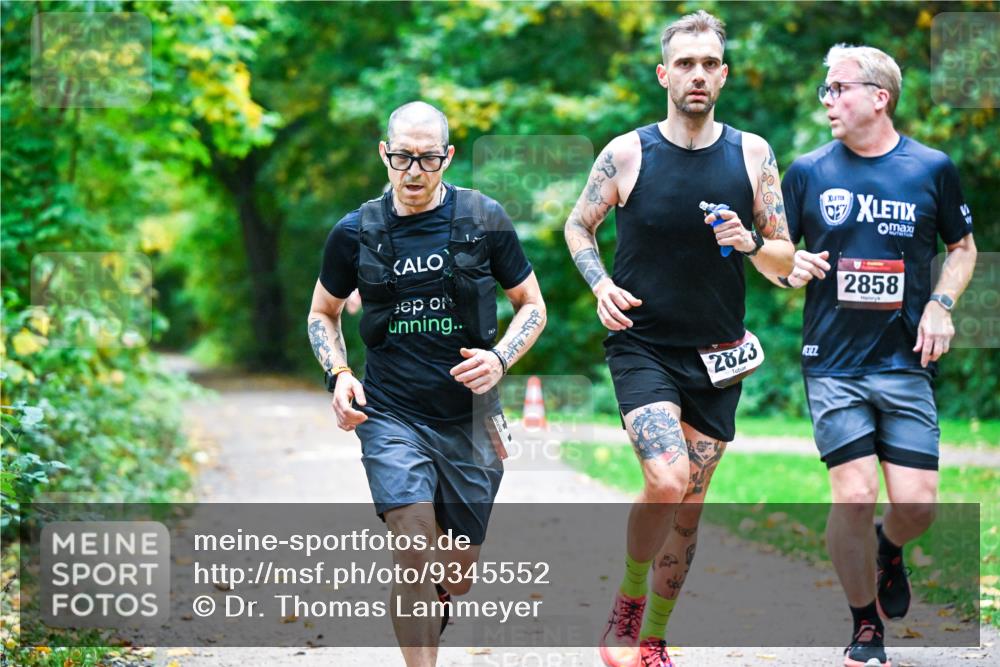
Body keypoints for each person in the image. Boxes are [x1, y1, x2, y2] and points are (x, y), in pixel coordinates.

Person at [563, 10, 794, 667]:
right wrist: (600, 283)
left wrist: (751, 243)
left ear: (723, 75)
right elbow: (579, 227)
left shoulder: (753, 156)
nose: (697, 73)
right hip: (644, 346)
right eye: (685, 63)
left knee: (689, 509)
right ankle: (627, 605)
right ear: (665, 73)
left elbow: (783, 265)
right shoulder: (628, 153)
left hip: (719, 356)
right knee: (666, 480)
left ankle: (654, 638)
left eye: (709, 63)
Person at [307, 101, 546, 667]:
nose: (414, 172)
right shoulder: (355, 231)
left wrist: (501, 358)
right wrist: (338, 375)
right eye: (403, 158)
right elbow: (323, 312)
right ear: (384, 154)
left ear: (449, 156)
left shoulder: (483, 218)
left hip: (469, 417)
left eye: (429, 158)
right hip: (390, 413)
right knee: (413, 548)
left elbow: (531, 306)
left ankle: (441, 592)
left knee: (457, 575)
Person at [777, 45, 977, 667]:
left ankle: (890, 547)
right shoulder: (807, 171)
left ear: (878, 96)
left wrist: (942, 302)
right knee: (855, 495)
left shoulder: (931, 168)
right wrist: (791, 267)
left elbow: (964, 248)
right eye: (825, 90)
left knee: (918, 505)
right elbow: (774, 257)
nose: (828, 101)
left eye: (838, 89)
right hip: (832, 363)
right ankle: (866, 625)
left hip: (904, 363)